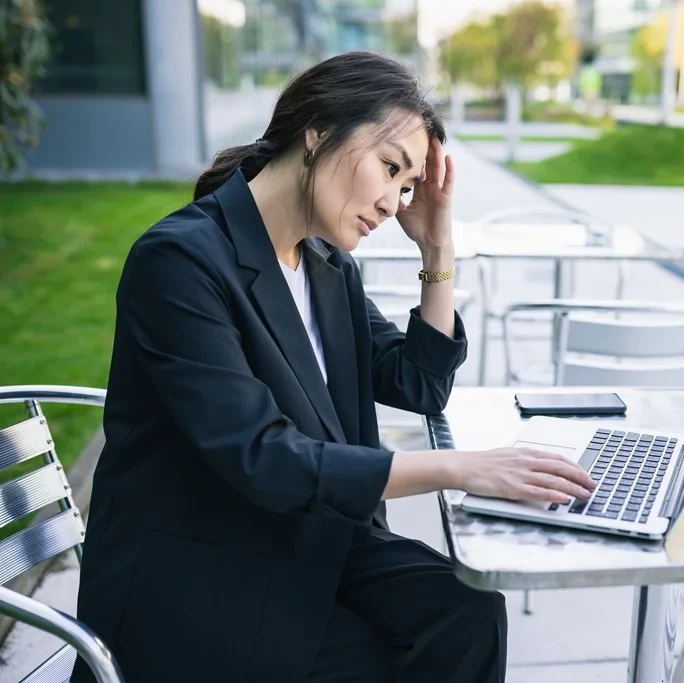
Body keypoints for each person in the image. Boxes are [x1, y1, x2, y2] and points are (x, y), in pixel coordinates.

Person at [71, 51, 595, 683]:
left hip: (301, 544)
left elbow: (418, 384)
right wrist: (462, 469)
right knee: (391, 658)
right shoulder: (179, 262)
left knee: (468, 611)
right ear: (318, 130)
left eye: (407, 186)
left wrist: (437, 248)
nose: (393, 200)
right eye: (390, 167)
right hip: (199, 575)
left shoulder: (324, 266)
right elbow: (264, 456)